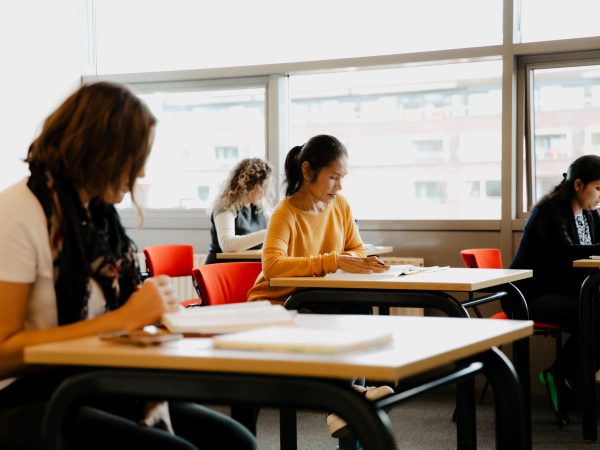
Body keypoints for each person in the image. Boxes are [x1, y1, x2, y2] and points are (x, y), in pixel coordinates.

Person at [0, 82, 256, 450]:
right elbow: (3, 354)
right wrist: (124, 319)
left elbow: (113, 318)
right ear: (96, 152)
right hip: (27, 396)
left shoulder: (96, 220)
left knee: (235, 442)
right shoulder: (18, 215)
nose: (139, 173)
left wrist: (157, 318)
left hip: (90, 379)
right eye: (132, 158)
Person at [247, 134, 393, 448]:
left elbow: (356, 248)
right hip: (278, 302)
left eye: (342, 178)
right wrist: (331, 260)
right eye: (333, 177)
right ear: (308, 171)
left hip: (315, 297)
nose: (339, 186)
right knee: (335, 315)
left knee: (357, 311)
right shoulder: (285, 214)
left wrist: (354, 261)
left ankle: (345, 402)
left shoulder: (340, 206)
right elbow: (273, 267)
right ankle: (346, 399)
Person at [510, 154, 600, 421]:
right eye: (598, 188)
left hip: (564, 292)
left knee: (596, 318)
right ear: (578, 185)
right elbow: (566, 254)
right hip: (529, 295)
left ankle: (565, 377)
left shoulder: (589, 215)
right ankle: (564, 377)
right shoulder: (550, 212)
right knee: (594, 319)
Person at [204, 158, 272, 264]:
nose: (264, 193)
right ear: (250, 184)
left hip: (244, 271)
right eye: (263, 187)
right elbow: (227, 245)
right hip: (217, 272)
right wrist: (270, 232)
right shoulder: (225, 206)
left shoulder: (259, 209)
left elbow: (276, 227)